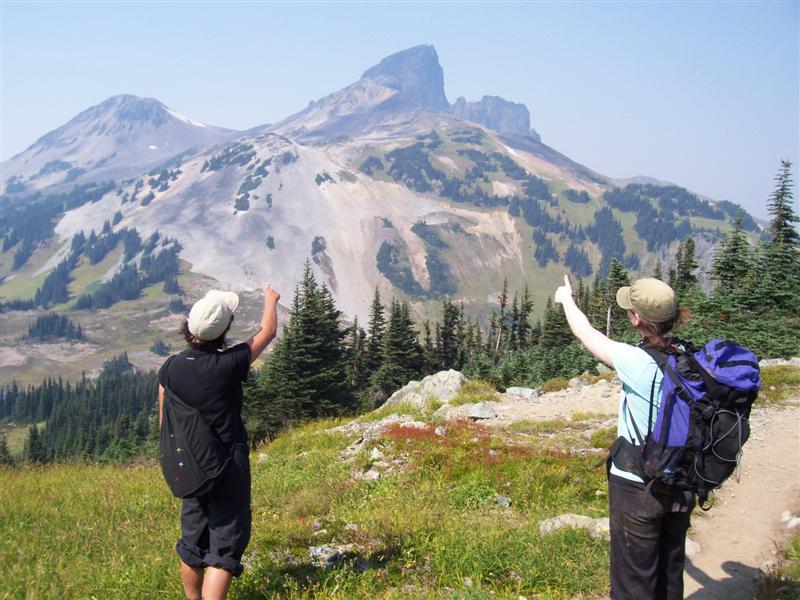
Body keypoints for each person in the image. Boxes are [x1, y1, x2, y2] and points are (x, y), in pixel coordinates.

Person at [554, 274, 693, 600]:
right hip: (682, 482)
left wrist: (566, 300)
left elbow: (585, 333)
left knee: (633, 581)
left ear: (637, 318)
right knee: (670, 574)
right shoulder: (687, 357)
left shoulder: (636, 361)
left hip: (637, 484)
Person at [158, 285, 280, 600]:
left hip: (189, 462)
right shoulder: (228, 364)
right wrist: (270, 300)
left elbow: (164, 411)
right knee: (224, 545)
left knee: (192, 539)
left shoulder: (171, 367)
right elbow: (267, 332)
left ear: (189, 327)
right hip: (227, 464)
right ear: (224, 330)